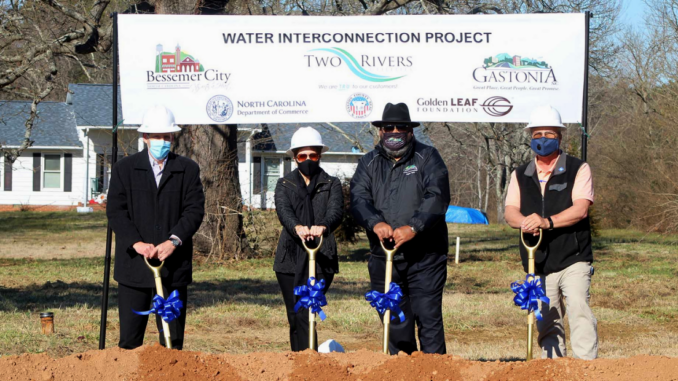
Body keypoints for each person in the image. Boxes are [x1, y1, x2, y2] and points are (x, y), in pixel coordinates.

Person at [350, 103, 451, 355]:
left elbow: (437, 196)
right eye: (389, 127)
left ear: (410, 130)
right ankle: (402, 368)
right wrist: (376, 223)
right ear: (381, 130)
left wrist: (414, 227)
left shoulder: (428, 157)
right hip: (384, 258)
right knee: (395, 321)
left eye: (401, 126)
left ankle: (433, 371)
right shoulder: (368, 162)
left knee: (428, 318)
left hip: (425, 256)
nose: (394, 131)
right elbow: (358, 198)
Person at [106, 105, 205, 350]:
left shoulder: (187, 169)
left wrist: (174, 241)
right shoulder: (124, 169)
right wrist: (136, 243)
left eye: (167, 136)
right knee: (130, 340)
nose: (162, 141)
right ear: (145, 138)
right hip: (134, 269)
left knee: (172, 340)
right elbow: (116, 212)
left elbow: (194, 211)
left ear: (173, 138)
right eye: (157, 136)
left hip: (173, 267)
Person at [504, 105, 597, 360]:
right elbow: (510, 211)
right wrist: (524, 222)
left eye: (549, 133)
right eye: (537, 134)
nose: (542, 139)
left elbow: (580, 209)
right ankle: (551, 367)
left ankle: (585, 366)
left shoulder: (578, 168)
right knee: (546, 317)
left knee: (579, 307)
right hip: (538, 261)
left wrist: (547, 222)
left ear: (560, 136)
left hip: (573, 256)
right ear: (530, 137)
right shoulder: (520, 174)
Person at [273, 126, 344, 351]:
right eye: (302, 156)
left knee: (307, 311)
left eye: (312, 155)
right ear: (295, 158)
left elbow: (336, 211)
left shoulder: (331, 184)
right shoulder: (284, 184)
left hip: (321, 256)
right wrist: (297, 227)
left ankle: (309, 361)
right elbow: (284, 211)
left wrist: (324, 226)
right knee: (295, 315)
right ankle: (300, 360)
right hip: (290, 259)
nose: (308, 160)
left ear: (319, 156)